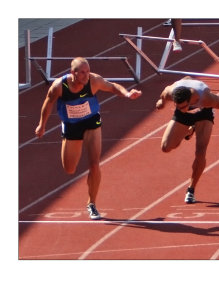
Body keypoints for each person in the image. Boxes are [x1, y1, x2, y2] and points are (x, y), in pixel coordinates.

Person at [35, 57, 142, 219]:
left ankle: (92, 203)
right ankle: (67, 137)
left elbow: (113, 87)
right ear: (73, 73)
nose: (86, 75)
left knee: (94, 163)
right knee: (69, 169)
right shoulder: (59, 86)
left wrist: (127, 94)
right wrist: (42, 125)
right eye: (83, 73)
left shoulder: (94, 81)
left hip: (91, 121)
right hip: (71, 125)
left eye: (88, 71)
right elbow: (48, 103)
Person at [156, 77, 219, 203]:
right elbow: (164, 93)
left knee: (200, 151)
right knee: (166, 147)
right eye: (178, 106)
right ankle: (189, 130)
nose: (181, 108)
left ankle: (191, 190)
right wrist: (162, 102)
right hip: (184, 117)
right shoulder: (172, 93)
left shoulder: (206, 98)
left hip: (203, 114)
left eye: (184, 106)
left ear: (190, 100)